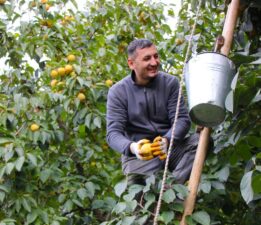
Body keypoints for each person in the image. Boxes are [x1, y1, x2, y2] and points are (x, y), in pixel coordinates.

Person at [106, 39, 199, 187]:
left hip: (171, 149)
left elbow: (181, 119)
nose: (155, 62)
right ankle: (159, 194)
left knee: (200, 142)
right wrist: (134, 148)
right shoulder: (118, 92)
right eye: (147, 58)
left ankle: (171, 189)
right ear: (131, 64)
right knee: (136, 192)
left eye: (156, 56)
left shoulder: (170, 83)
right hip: (139, 158)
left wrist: (167, 140)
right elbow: (113, 134)